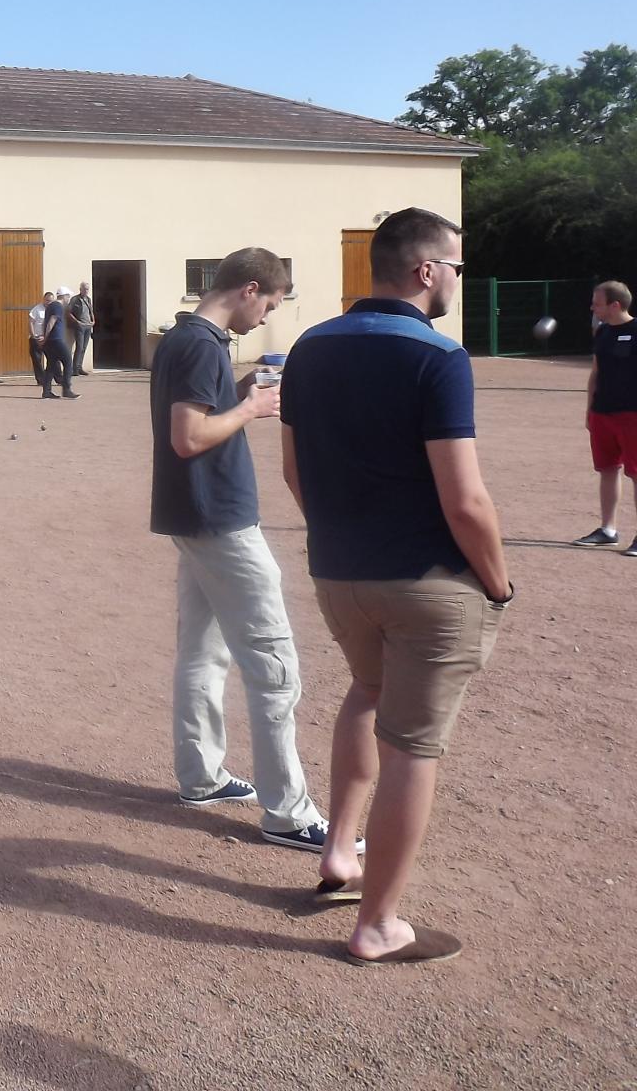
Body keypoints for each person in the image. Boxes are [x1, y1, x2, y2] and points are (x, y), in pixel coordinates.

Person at [281, 208, 512, 967]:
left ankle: (339, 856)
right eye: (456, 266)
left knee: (365, 693)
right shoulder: (438, 357)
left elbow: (293, 470)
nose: (455, 279)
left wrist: (341, 538)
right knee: (414, 745)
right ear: (425, 271)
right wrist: (499, 583)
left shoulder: (308, 348)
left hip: (338, 572)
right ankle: (377, 923)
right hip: (426, 581)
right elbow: (466, 500)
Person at [149, 247, 332, 856]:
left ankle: (202, 776)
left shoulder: (185, 338)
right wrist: (252, 407)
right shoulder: (203, 344)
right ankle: (288, 812)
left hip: (193, 516)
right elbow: (188, 435)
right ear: (250, 288)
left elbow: (198, 413)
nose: (267, 318)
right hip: (220, 518)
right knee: (272, 663)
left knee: (204, 651)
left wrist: (240, 390)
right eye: (272, 304)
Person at [571, 280, 637, 553]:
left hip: (632, 414)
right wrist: (589, 410)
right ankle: (608, 529)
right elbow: (595, 373)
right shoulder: (603, 332)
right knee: (608, 469)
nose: (592, 307)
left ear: (615, 305)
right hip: (603, 414)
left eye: (597, 303)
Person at [38, 291, 77, 400]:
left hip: (51, 341)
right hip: (55, 340)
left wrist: (44, 337)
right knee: (68, 361)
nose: (69, 299)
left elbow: (45, 322)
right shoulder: (58, 306)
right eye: (68, 296)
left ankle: (46, 392)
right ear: (64, 296)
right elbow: (51, 321)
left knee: (51, 365)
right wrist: (45, 338)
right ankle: (66, 390)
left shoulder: (51, 306)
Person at [69, 280, 96, 375]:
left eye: (87, 289)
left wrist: (93, 320)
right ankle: (74, 369)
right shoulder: (75, 299)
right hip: (79, 327)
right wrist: (77, 322)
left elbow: (91, 310)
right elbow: (69, 312)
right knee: (79, 347)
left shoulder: (88, 299)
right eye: (84, 289)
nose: (86, 291)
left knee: (84, 347)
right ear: (80, 289)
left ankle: (80, 367)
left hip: (88, 326)